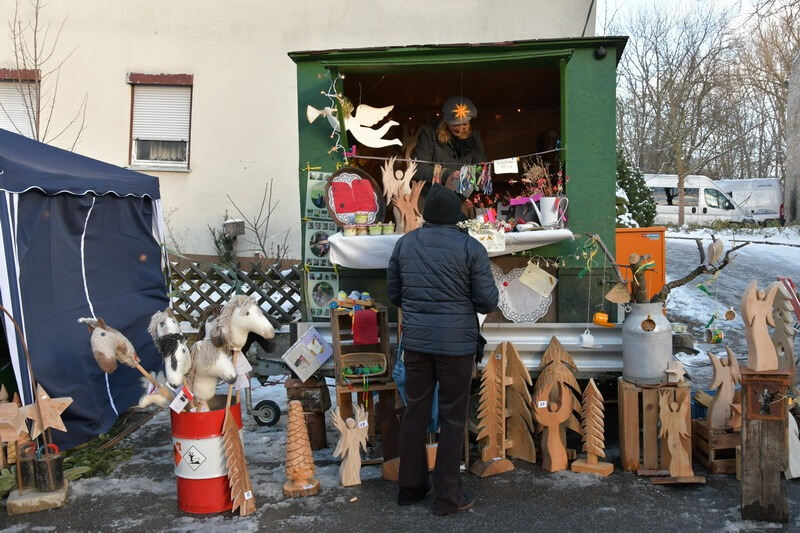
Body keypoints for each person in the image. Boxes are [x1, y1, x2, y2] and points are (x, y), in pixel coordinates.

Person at [387, 184, 498, 515]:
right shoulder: (471, 248)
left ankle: (410, 489)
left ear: (428, 214)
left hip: (418, 344)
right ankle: (448, 498)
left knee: (415, 412)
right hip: (457, 346)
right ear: (456, 216)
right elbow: (487, 300)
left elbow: (395, 294)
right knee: (452, 418)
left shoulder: (404, 245)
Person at [413, 96, 487, 192]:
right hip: (432, 196)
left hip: (459, 196)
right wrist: (447, 175)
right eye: (456, 124)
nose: (460, 128)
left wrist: (472, 178)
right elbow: (419, 169)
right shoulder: (429, 134)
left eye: (464, 124)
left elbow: (481, 167)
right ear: (445, 122)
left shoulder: (474, 137)